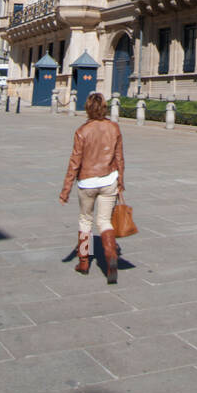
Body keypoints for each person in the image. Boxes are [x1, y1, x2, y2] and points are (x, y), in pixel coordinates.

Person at [59, 91, 125, 283]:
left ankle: (83, 262)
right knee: (104, 221)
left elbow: (74, 162)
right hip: (108, 180)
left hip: (87, 182)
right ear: (104, 107)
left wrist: (66, 190)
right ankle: (111, 255)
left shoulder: (82, 131)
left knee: (85, 221)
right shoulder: (114, 128)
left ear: (87, 108)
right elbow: (119, 159)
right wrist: (120, 182)